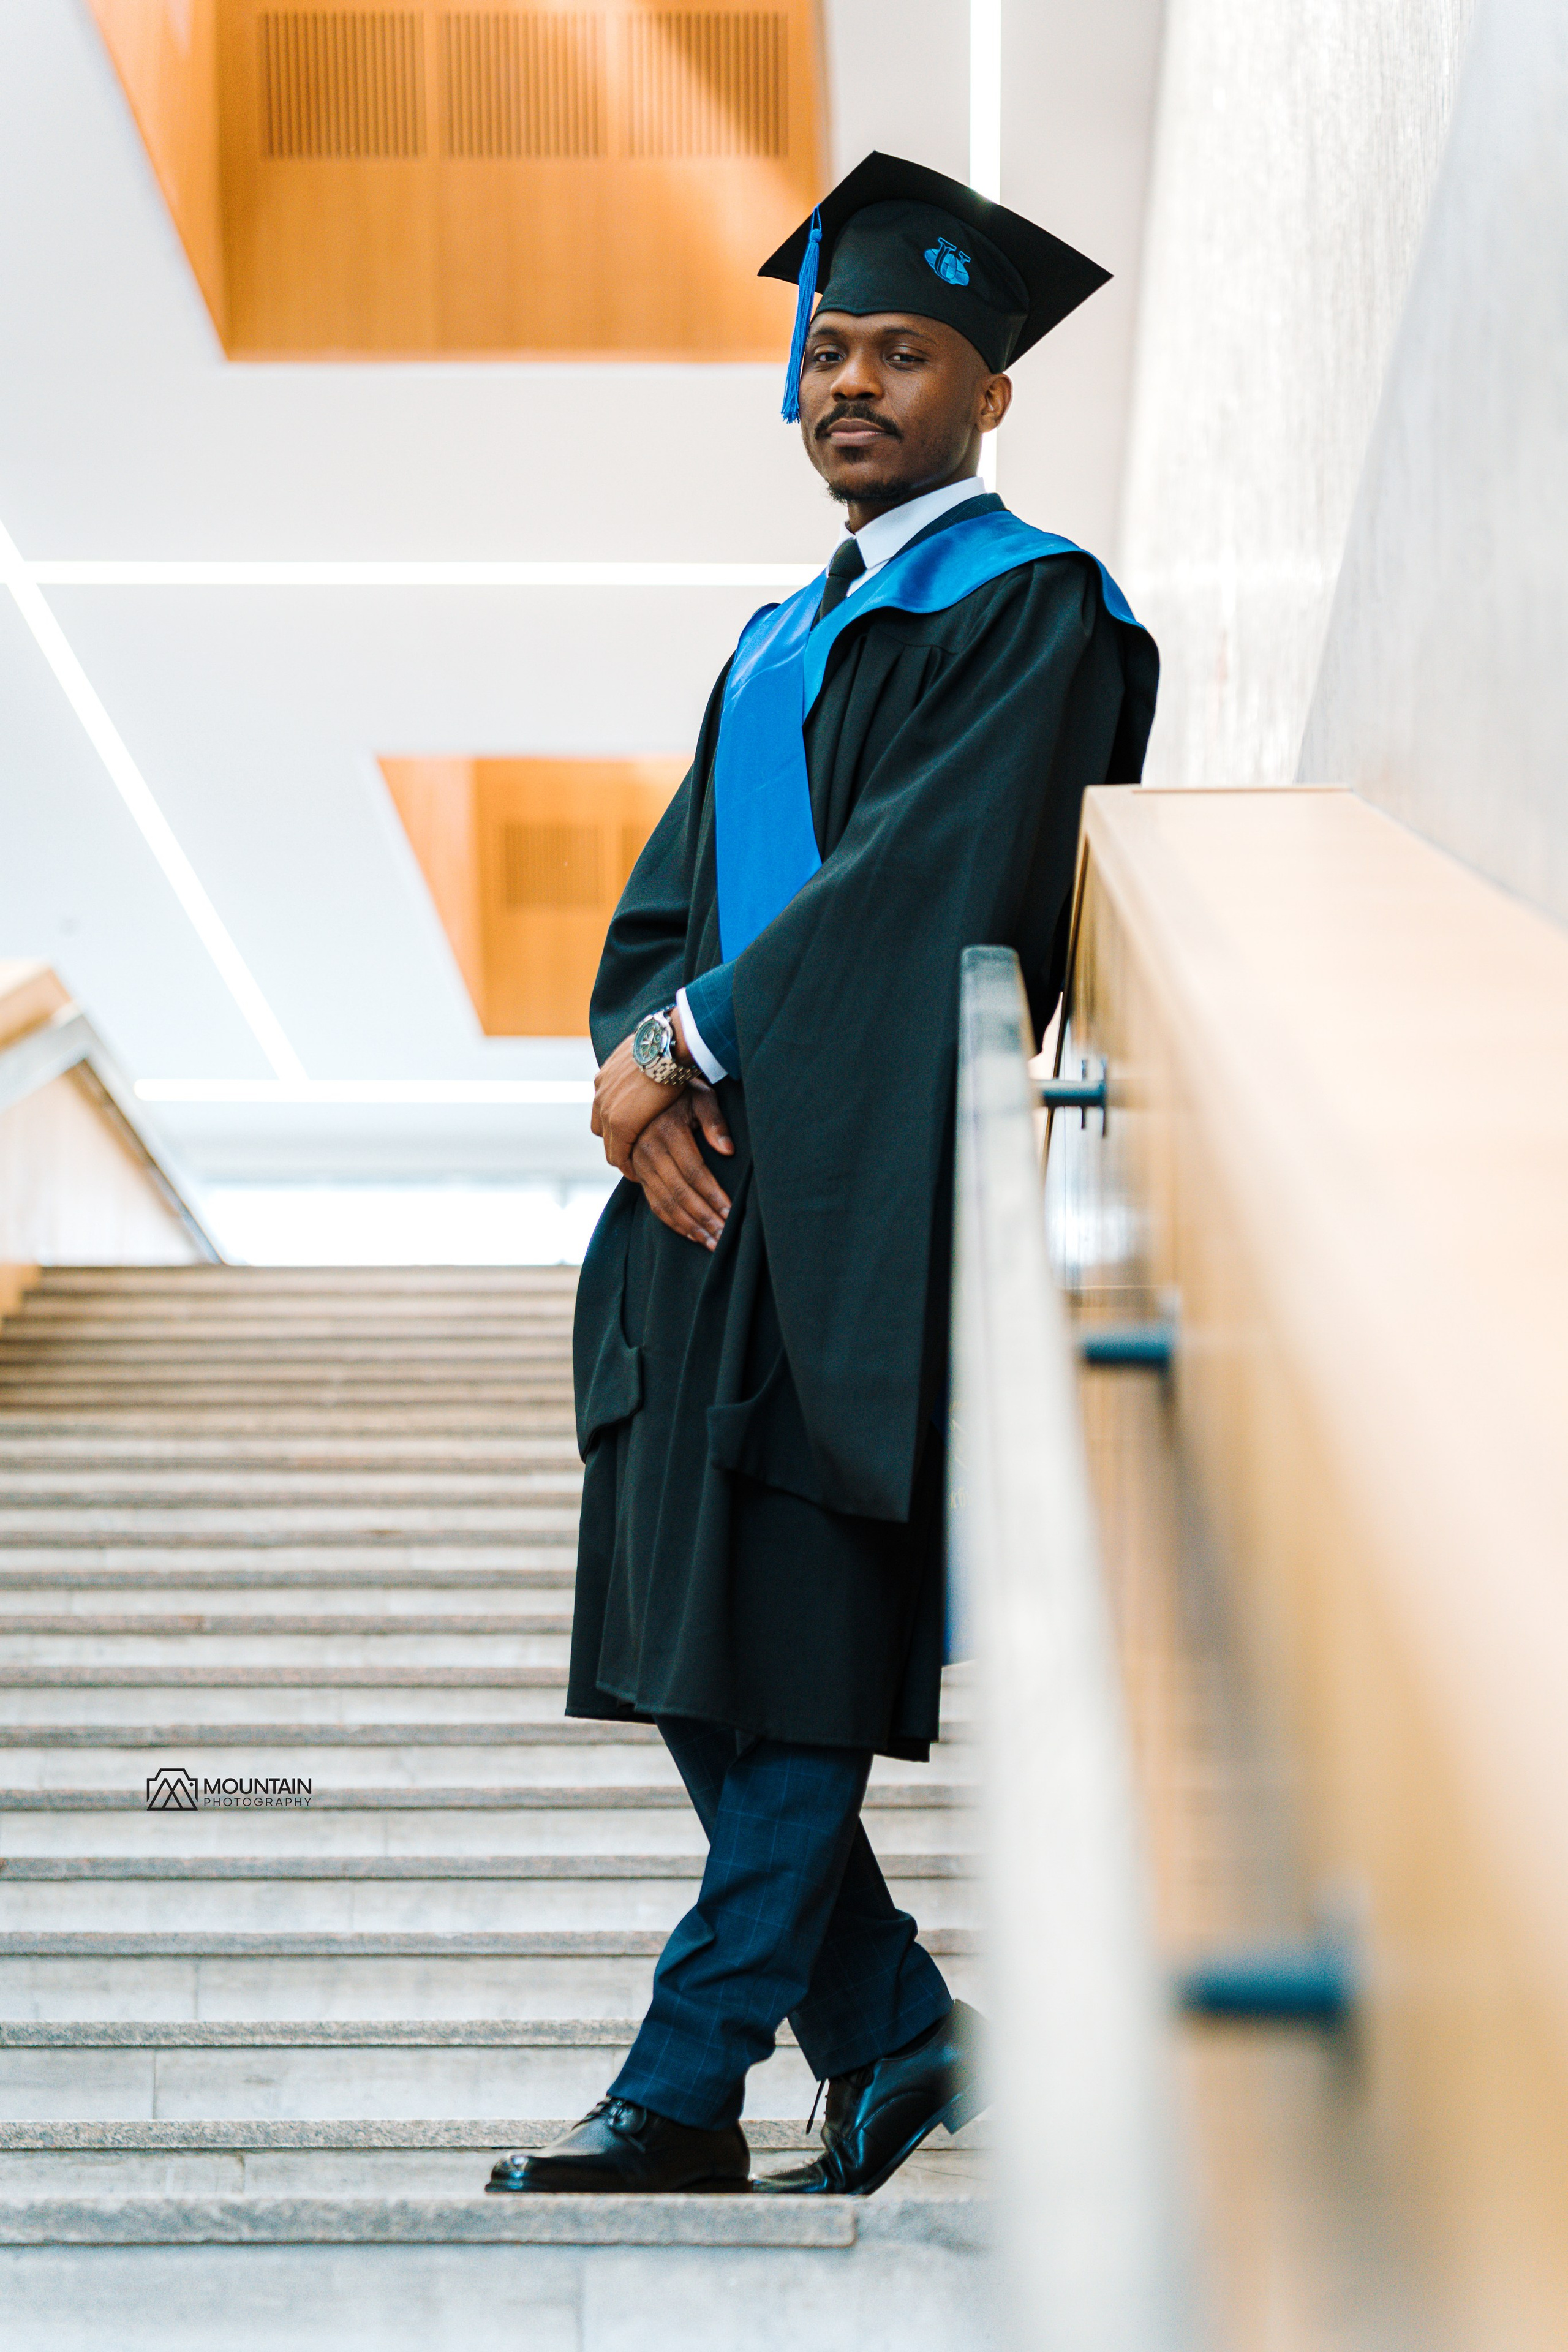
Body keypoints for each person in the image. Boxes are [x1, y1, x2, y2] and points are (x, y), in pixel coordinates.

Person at [487, 151, 1158, 2200]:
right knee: (716, 1651)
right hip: (705, 1223)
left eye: (906, 352)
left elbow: (928, 886)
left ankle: (688, 2083)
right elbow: (667, 904)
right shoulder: (780, 638)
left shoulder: (1033, 610)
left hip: (863, 1216)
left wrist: (695, 1047)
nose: (855, 382)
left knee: (789, 1656)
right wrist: (642, 1069)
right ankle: (893, 2039)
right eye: (833, 349)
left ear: (990, 391)